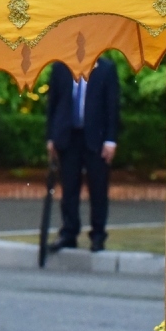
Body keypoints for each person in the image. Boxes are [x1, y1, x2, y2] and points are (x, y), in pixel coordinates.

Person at [45, 57, 121, 252]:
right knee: (69, 188)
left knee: (98, 189)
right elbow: (53, 103)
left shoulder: (106, 68)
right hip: (68, 137)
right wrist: (51, 137)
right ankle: (69, 233)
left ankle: (98, 235)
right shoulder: (61, 67)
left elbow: (112, 106)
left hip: (96, 138)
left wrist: (111, 140)